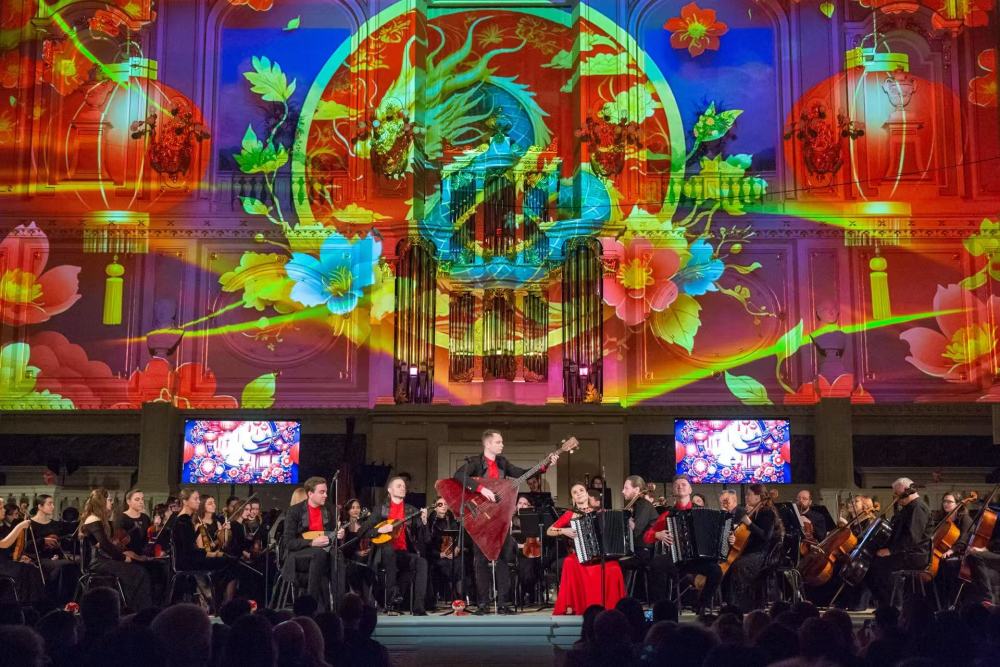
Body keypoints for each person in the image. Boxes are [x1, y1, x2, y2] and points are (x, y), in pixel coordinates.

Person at [453, 429, 560, 614]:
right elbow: (459, 476)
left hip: (500, 517)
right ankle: (483, 604)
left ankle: (503, 603)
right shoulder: (475, 462)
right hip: (480, 517)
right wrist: (481, 489)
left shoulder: (503, 462)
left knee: (503, 558)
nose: (502, 445)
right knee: (480, 560)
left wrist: (546, 464)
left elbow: (524, 474)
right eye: (498, 442)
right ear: (487, 444)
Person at [644, 475, 723, 615]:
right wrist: (657, 535)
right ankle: (662, 607)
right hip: (677, 559)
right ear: (673, 491)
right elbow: (647, 536)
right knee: (657, 563)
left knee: (716, 570)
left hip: (698, 560)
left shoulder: (702, 512)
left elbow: (718, 534)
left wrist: (729, 538)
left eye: (684, 484)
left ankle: (701, 605)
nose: (680, 486)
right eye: (677, 485)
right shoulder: (668, 514)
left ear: (690, 489)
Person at [548, 482, 625, 615]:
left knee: (614, 566)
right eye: (575, 492)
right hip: (580, 555)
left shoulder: (598, 512)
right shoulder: (570, 514)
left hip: (598, 555)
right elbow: (549, 530)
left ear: (587, 494)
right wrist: (564, 530)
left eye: (581, 490)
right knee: (569, 562)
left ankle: (611, 607)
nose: (579, 494)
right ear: (573, 498)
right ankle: (576, 606)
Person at [359, 476, 429, 615]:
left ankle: (418, 608)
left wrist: (424, 522)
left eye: (404, 486)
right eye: (399, 486)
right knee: (389, 550)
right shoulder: (381, 509)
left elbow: (425, 538)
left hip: (402, 553)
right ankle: (391, 598)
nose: (403, 488)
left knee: (421, 562)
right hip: (383, 553)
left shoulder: (411, 510)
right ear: (390, 490)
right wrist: (380, 530)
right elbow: (362, 531)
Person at [77, 488, 153, 612]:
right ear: (101, 501)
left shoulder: (97, 519)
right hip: (97, 562)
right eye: (109, 500)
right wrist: (123, 558)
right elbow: (105, 545)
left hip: (102, 559)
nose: (111, 502)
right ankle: (138, 610)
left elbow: (102, 544)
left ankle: (135, 608)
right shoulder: (93, 519)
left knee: (138, 569)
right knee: (138, 572)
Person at [281, 477, 346, 612]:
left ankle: (339, 607)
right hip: (299, 555)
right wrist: (311, 542)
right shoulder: (294, 511)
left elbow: (332, 537)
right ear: (310, 493)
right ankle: (311, 606)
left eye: (326, 492)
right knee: (319, 553)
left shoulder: (330, 510)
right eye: (321, 492)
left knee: (338, 555)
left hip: (323, 554)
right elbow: (289, 542)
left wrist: (338, 534)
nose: (325, 495)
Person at [866, 477, 932, 607]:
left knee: (877, 566)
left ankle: (893, 606)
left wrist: (890, 550)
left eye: (897, 493)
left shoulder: (918, 508)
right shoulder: (908, 507)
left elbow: (912, 538)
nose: (895, 496)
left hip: (914, 555)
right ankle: (885, 604)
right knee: (872, 562)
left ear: (906, 491)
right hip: (904, 552)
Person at [172, 489, 236, 607]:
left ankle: (218, 601)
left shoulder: (186, 520)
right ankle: (218, 602)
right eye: (195, 499)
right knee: (228, 562)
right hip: (186, 562)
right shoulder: (183, 521)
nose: (198, 501)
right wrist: (213, 554)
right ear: (185, 501)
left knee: (229, 562)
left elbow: (189, 545)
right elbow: (189, 551)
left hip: (190, 558)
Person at [722, 484, 781, 612]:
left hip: (761, 554)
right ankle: (730, 604)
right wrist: (734, 538)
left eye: (749, 494)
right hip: (750, 552)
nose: (746, 497)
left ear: (758, 497)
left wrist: (749, 523)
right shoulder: (754, 512)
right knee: (729, 564)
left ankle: (741, 606)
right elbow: (746, 536)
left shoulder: (767, 513)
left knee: (738, 566)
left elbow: (765, 536)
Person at [25, 494, 78, 604]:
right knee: (64, 565)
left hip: (54, 557)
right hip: (38, 558)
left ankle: (67, 600)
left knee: (72, 564)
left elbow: (62, 543)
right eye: (49, 504)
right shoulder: (29, 524)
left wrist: (58, 545)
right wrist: (43, 541)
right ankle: (58, 600)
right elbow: (26, 546)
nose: (53, 506)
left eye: (53, 504)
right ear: (40, 506)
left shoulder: (55, 524)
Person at [0, 503, 43, 604]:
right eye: (1, 508)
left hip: (4, 562)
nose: (4, 510)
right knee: (26, 570)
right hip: (2, 564)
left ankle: (30, 604)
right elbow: (4, 544)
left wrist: (19, 557)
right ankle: (23, 604)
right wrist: (20, 526)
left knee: (30, 568)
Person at [620, 476, 658, 587]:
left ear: (636, 490)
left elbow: (636, 530)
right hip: (638, 550)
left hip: (644, 552)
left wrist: (627, 520)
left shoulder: (643, 504)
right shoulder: (636, 505)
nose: (623, 491)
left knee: (616, 564)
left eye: (626, 488)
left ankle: (623, 593)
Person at [425, 496, 460, 607]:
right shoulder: (431, 521)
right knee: (444, 565)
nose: (444, 506)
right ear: (435, 507)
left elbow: (457, 538)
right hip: (436, 555)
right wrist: (440, 554)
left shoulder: (451, 520)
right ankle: (449, 595)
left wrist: (456, 549)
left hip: (451, 554)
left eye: (445, 504)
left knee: (459, 564)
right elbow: (428, 544)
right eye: (440, 504)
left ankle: (459, 596)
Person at [340, 499, 375, 605]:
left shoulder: (365, 525)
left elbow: (371, 541)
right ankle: (360, 597)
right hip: (349, 558)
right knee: (356, 566)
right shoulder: (344, 526)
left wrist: (369, 549)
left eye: (358, 507)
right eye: (353, 508)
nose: (356, 510)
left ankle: (366, 598)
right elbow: (343, 547)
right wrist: (356, 552)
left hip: (365, 557)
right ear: (348, 510)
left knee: (369, 564)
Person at [512, 496, 542, 606]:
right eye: (520, 503)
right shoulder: (511, 519)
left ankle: (527, 592)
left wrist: (527, 545)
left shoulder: (533, 519)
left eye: (525, 504)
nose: (522, 506)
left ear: (529, 506)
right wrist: (519, 546)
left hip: (530, 550)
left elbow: (537, 540)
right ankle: (523, 593)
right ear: (516, 505)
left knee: (529, 562)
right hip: (514, 550)